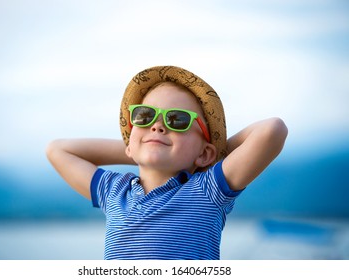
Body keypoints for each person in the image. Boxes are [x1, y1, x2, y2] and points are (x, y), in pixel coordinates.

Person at [46, 66, 288, 260]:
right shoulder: (115, 191)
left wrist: (213, 158)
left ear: (205, 154)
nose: (157, 125)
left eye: (177, 120)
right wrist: (137, 148)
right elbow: (57, 150)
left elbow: (272, 130)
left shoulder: (207, 190)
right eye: (144, 116)